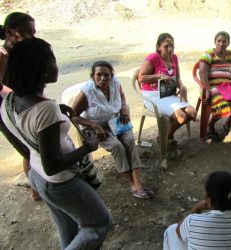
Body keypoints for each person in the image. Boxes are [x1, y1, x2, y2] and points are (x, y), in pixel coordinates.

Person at [0, 38, 112, 249]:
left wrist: (56, 111)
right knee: (99, 223)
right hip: (59, 181)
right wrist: (87, 147)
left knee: (67, 226)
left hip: (36, 174)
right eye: (52, 61)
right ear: (39, 70)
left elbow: (26, 129)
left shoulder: (11, 99)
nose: (56, 65)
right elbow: (52, 164)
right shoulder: (46, 110)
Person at [72, 60, 153, 199]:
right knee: (117, 146)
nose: (103, 78)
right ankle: (131, 183)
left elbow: (122, 95)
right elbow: (73, 116)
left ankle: (137, 180)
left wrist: (122, 109)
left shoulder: (115, 83)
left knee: (129, 141)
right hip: (95, 126)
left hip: (115, 121)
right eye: (99, 75)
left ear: (111, 75)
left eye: (106, 75)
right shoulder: (87, 92)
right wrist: (95, 126)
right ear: (92, 76)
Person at [163, 171, 231, 250]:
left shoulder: (194, 222)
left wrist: (197, 208)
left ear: (209, 199)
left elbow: (178, 230)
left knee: (171, 230)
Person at [0, 12, 40, 200]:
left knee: (31, 147)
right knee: (27, 149)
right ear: (10, 32)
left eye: (33, 32)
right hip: (9, 110)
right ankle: (36, 188)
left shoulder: (22, 53)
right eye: (26, 32)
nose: (31, 37)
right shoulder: (3, 56)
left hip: (25, 105)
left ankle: (36, 187)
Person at [138, 33, 196, 148]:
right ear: (158, 46)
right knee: (181, 116)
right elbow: (141, 78)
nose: (170, 49)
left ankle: (164, 135)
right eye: (166, 46)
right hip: (153, 96)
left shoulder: (174, 57)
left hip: (169, 93)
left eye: (172, 46)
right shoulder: (153, 58)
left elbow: (177, 77)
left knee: (193, 112)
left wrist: (182, 86)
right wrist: (158, 76)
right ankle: (166, 138)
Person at [199, 31, 231, 141]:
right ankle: (210, 125)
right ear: (215, 42)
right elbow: (202, 73)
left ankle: (227, 123)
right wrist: (207, 90)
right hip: (211, 86)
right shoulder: (207, 55)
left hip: (227, 86)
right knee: (224, 105)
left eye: (224, 41)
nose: (221, 43)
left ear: (228, 43)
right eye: (219, 41)